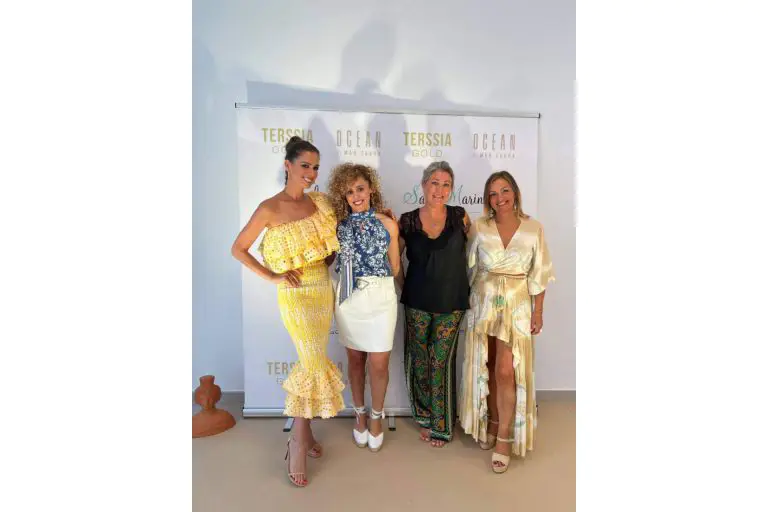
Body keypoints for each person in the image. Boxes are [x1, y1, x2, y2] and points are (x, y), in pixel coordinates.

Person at [231, 136, 344, 488]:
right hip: (294, 293)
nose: (310, 173)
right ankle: (296, 442)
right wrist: (273, 276)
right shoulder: (269, 208)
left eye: (315, 167)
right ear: (288, 165)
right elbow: (238, 248)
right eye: (304, 165)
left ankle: (305, 435)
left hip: (321, 286)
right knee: (311, 363)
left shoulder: (320, 203)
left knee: (315, 358)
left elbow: (332, 245)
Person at [459, 171, 555, 474]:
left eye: (504, 191)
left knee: (505, 370)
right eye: (493, 193)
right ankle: (492, 420)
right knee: (486, 366)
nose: (499, 198)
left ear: (515, 192)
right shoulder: (480, 227)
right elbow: (467, 266)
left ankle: (504, 437)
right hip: (484, 302)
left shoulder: (533, 228)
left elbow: (540, 274)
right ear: (487, 199)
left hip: (516, 306)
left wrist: (538, 312)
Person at [326, 163, 400, 453]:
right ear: (343, 196)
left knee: (379, 363)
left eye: (360, 189)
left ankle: (376, 417)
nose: (356, 196)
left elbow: (395, 267)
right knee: (355, 360)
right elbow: (328, 260)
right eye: (349, 192)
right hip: (350, 299)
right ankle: (359, 414)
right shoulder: (338, 227)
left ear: (371, 190)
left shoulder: (388, 224)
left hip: (380, 297)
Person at [397, 161, 471, 447]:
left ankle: (442, 424)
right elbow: (394, 259)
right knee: (419, 359)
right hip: (416, 301)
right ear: (424, 184)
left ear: (451, 189)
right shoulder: (407, 221)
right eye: (435, 183)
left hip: (452, 302)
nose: (439, 190)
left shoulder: (460, 217)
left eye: (446, 184)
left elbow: (477, 251)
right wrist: (403, 285)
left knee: (440, 362)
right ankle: (425, 415)